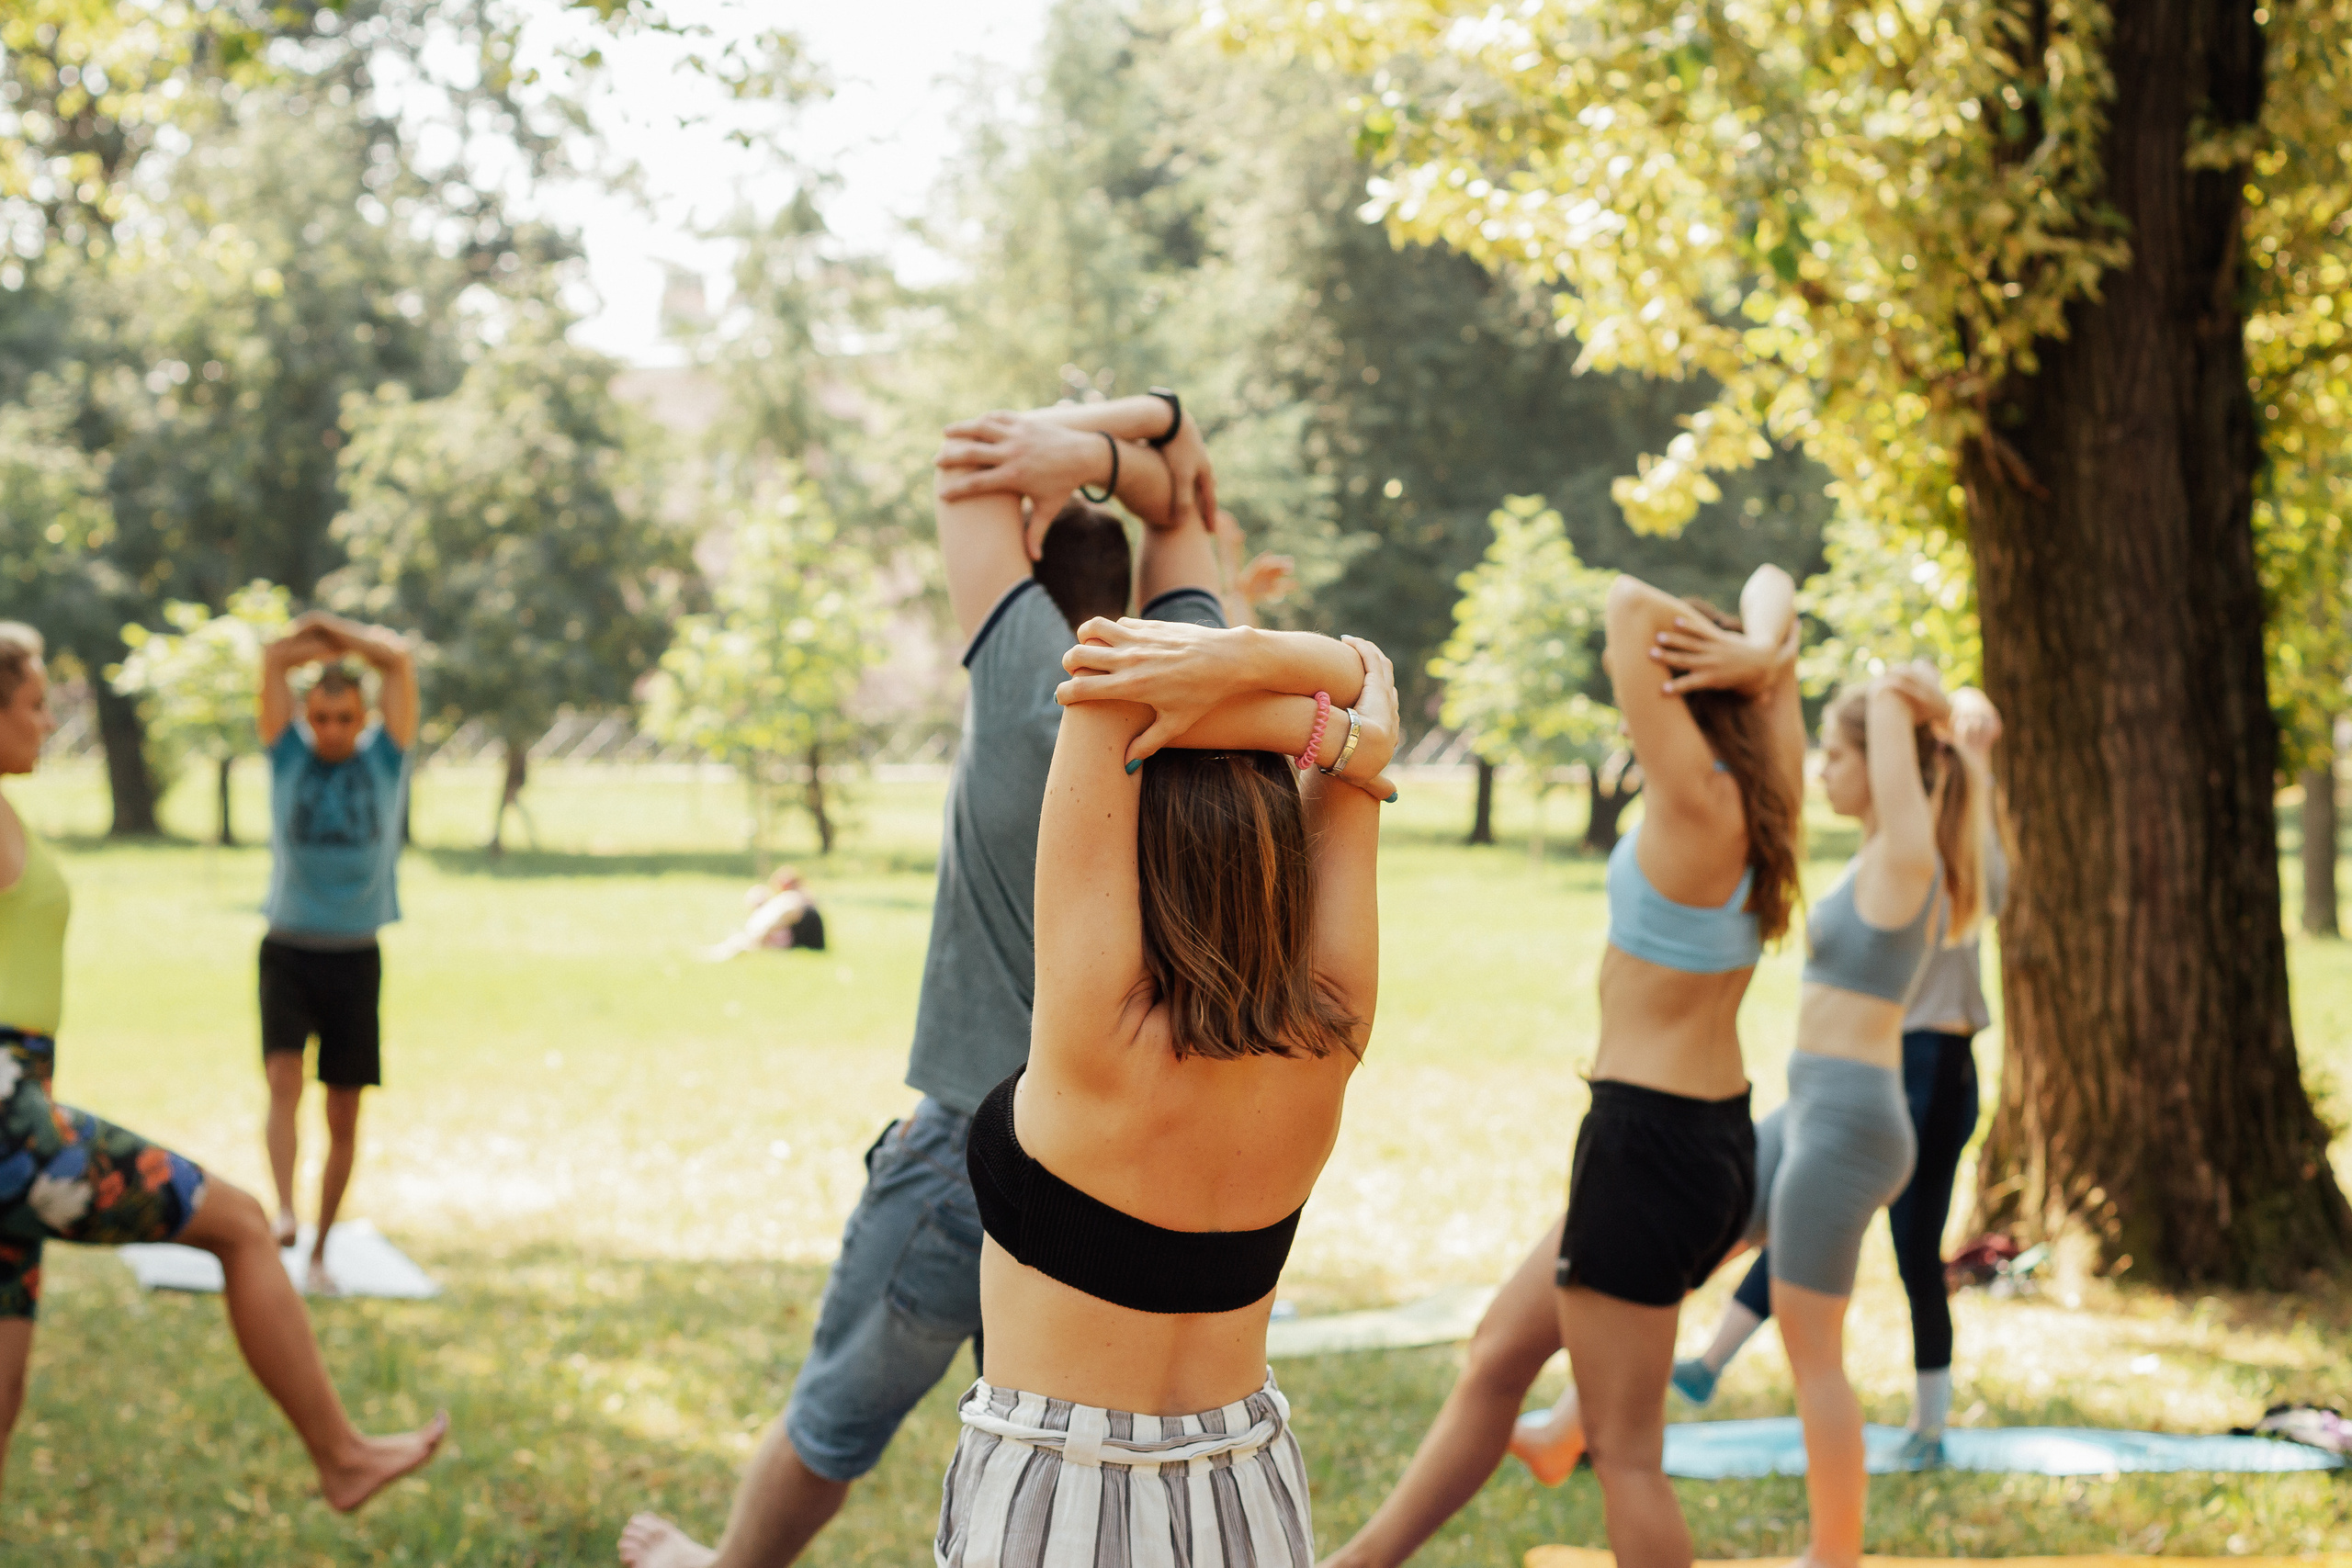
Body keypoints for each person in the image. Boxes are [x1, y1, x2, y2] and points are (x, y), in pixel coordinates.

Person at [619, 390, 1232, 1568]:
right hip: (1126, 1176)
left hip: (968, 1159)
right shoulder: (1204, 709)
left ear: (1031, 584)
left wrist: (1063, 448)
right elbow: (1190, 497)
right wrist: (1125, 444)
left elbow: (966, 468)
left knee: (834, 1417)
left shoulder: (1025, 690)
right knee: (1063, 1472)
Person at [1323, 569, 1805, 1568]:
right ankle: (1360, 1564)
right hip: (1700, 1141)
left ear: (1677, 686)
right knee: (1499, 1357)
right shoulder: (1765, 790)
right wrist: (1765, 655)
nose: (1613, 672)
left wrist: (1752, 655)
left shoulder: (1695, 799)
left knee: (1626, 1456)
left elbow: (1628, 602)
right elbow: (1772, 582)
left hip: (1649, 1148)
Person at [934, 599, 1398, 1566]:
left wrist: (1304, 720)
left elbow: (1100, 688)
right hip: (1249, 1494)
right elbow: (1371, 700)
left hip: (1055, 1507)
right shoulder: (1333, 1020)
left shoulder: (1094, 1039)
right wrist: (1269, 681)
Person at [0, 623, 445, 1508]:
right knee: (241, 1224)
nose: (51, 722)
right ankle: (343, 1456)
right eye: (36, 704)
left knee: (2, 1397)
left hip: (25, 1097)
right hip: (8, 1112)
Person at [1672, 686, 2007, 1468]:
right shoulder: (1886, 853)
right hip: (1855, 1082)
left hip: (1921, 1073)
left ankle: (1926, 1426)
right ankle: (1674, 1375)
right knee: (1757, 1222)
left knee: (1903, 1254)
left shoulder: (1921, 857)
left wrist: (1963, 751)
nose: (1826, 768)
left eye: (1843, 753)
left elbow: (1982, 877)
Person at [255, 612, 418, 1294]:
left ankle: (321, 1248)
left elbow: (400, 664)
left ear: (363, 718)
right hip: (289, 947)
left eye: (343, 718)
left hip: (356, 954)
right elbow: (270, 661)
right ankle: (286, 1211)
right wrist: (313, 644)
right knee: (285, 1083)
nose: (330, 731)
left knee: (343, 1110)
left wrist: (333, 632)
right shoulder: (286, 754)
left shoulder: (386, 758)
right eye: (320, 717)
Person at [701, 867, 825, 961]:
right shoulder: (795, 903)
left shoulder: (795, 900)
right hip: (796, 937)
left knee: (746, 939)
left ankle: (722, 951)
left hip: (794, 933)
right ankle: (718, 952)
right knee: (742, 940)